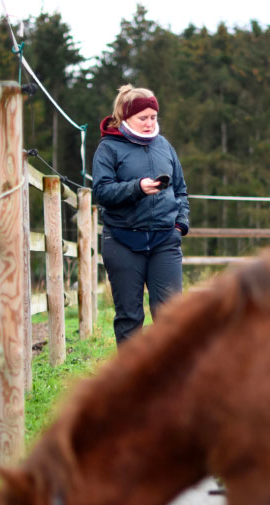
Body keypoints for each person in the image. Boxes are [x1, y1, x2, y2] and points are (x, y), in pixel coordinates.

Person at [92, 84, 190, 345]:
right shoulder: (108, 148)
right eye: (142, 118)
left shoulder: (164, 145)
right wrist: (137, 188)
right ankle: (132, 381)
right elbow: (101, 191)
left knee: (171, 316)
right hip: (122, 240)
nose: (149, 124)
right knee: (129, 317)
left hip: (164, 241)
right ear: (125, 117)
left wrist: (180, 225)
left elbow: (180, 189)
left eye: (153, 117)